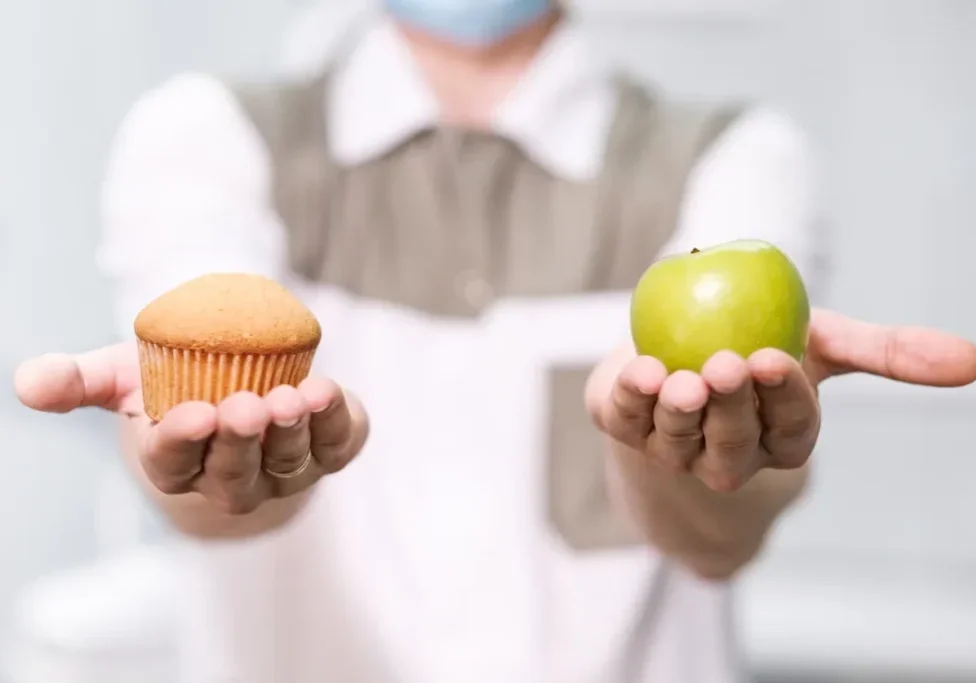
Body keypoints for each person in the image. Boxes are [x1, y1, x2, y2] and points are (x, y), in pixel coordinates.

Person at [13, 1, 976, 682]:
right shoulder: (212, 140)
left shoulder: (731, 161)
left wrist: (679, 453)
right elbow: (206, 456)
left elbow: (721, 524)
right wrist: (212, 461)